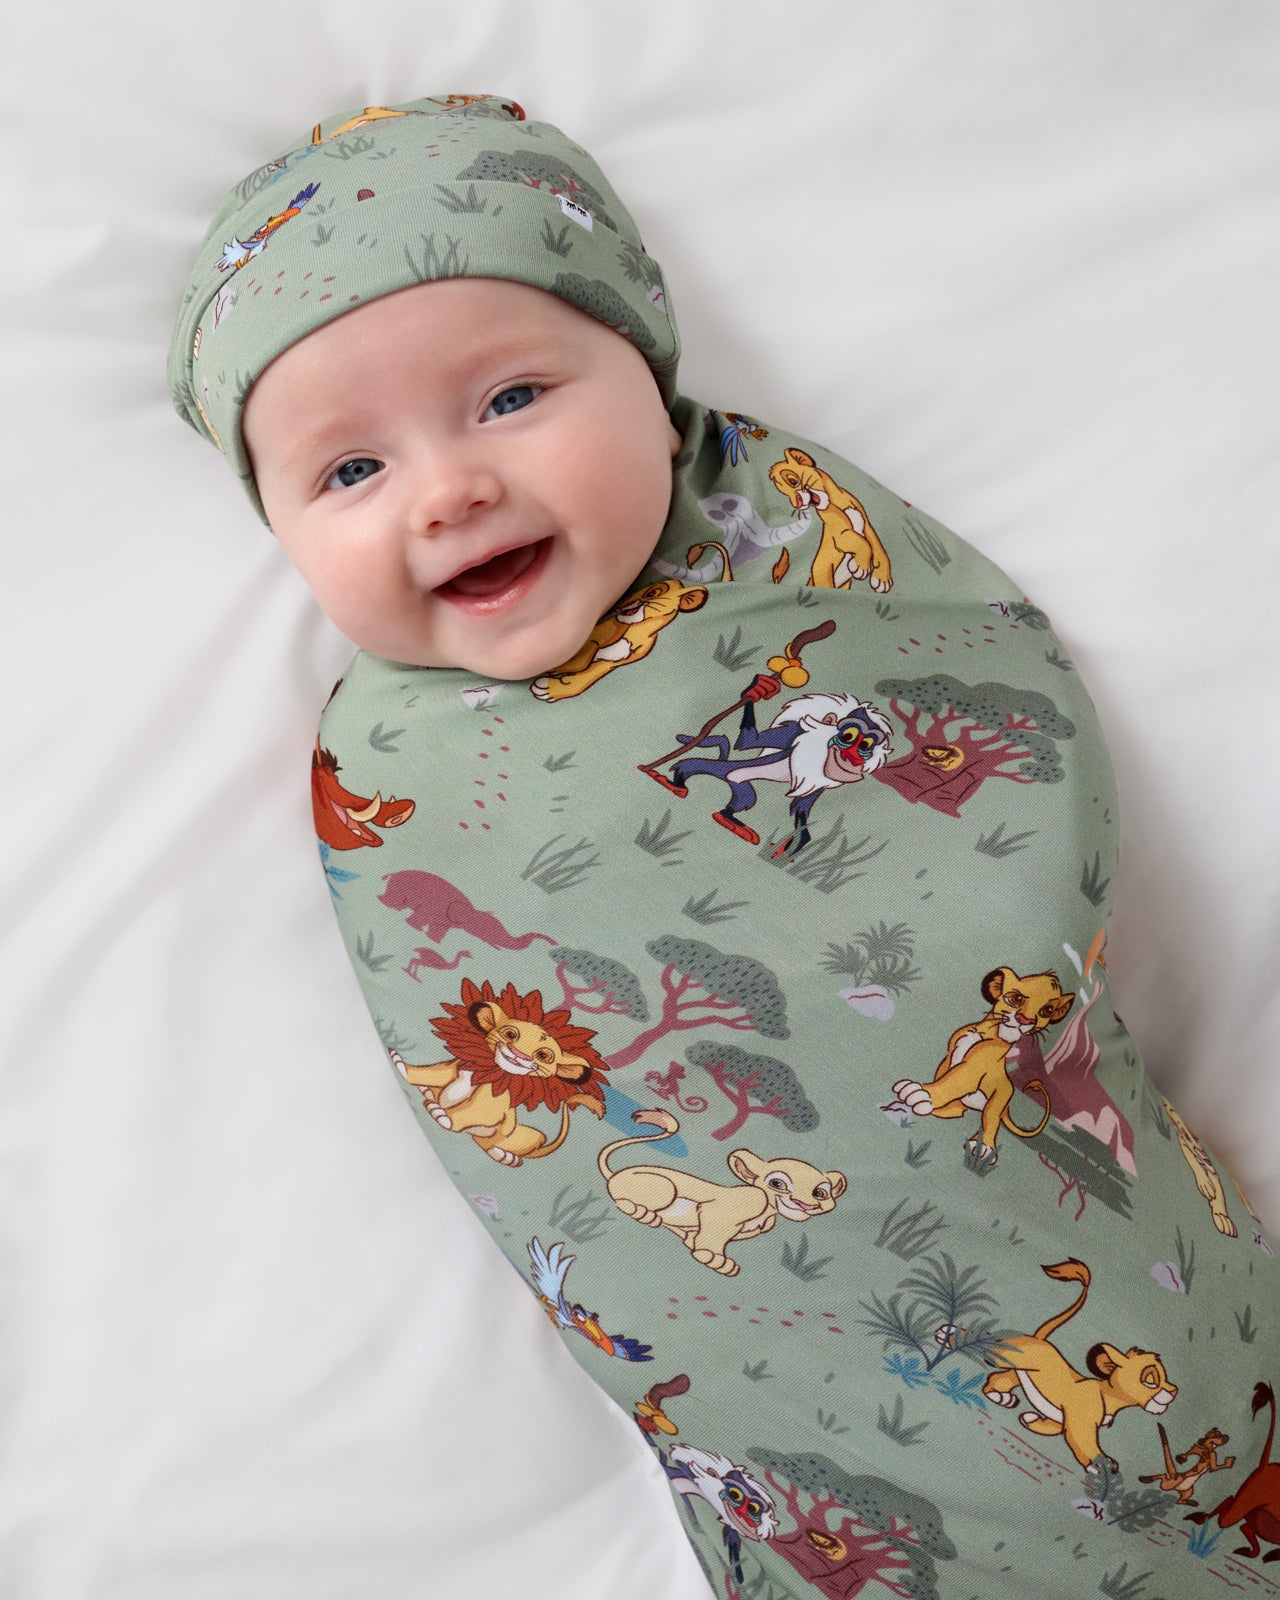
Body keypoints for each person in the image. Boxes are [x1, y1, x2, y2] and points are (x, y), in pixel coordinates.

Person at [169, 92, 1280, 1598]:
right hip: (788, 1419)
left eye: (510, 396)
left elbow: (989, 799)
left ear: (647, 370)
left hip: (1072, 1239)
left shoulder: (806, 564)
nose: (448, 489)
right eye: (348, 472)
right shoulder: (392, 769)